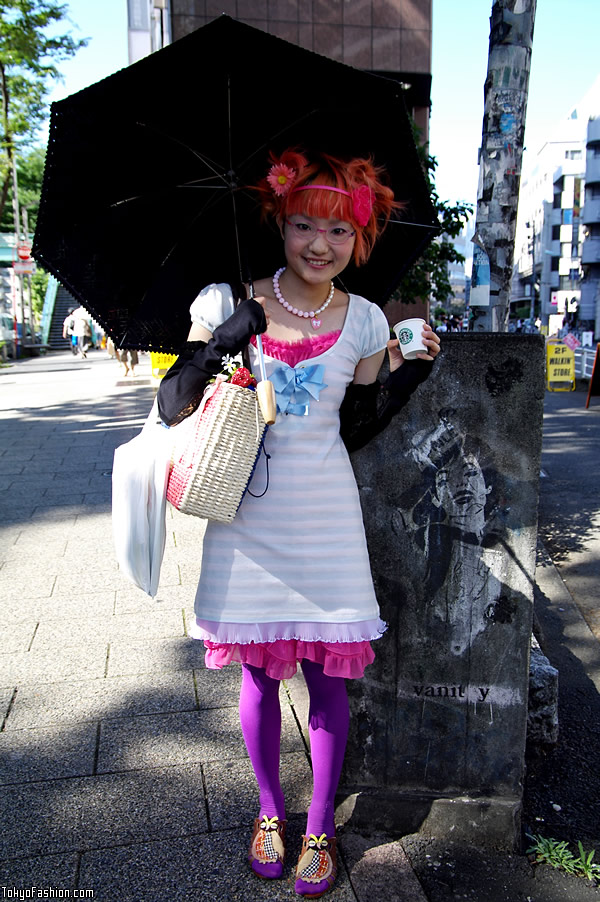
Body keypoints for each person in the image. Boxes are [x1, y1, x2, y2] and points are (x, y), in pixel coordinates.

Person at [157, 148, 440, 898]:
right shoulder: (228, 302)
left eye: (340, 232)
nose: (321, 244)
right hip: (247, 521)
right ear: (281, 222)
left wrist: (410, 372)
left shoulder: (370, 320)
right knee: (255, 675)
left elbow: (357, 424)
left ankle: (319, 825)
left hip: (326, 520)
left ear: (362, 238)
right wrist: (225, 339)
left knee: (327, 682)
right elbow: (171, 403)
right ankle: (269, 812)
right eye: (305, 225)